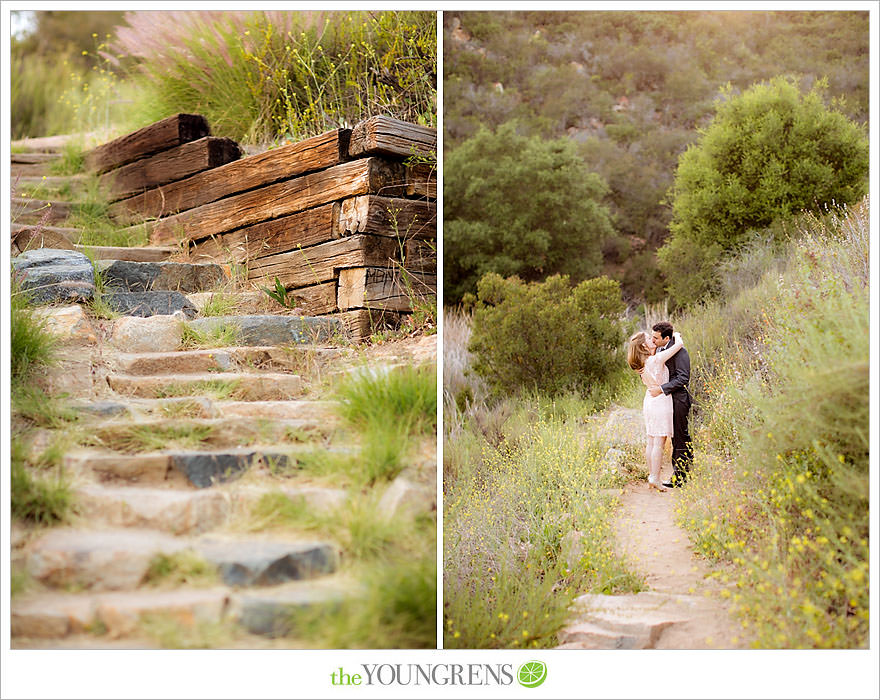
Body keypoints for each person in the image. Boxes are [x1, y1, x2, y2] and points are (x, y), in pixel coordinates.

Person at [627, 329, 684, 491]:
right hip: (660, 401)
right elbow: (679, 345)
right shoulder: (656, 360)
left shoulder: (642, 365)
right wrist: (676, 335)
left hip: (649, 400)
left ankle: (652, 475)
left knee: (651, 440)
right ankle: (655, 478)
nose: (653, 339)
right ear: (644, 346)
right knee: (659, 442)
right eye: (649, 339)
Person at [649, 322, 693, 488]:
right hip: (666, 401)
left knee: (680, 438)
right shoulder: (660, 348)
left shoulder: (680, 352)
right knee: (676, 437)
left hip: (679, 400)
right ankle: (684, 470)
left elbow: (683, 378)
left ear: (666, 338)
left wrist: (661, 389)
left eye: (656, 337)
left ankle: (680, 478)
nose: (653, 340)